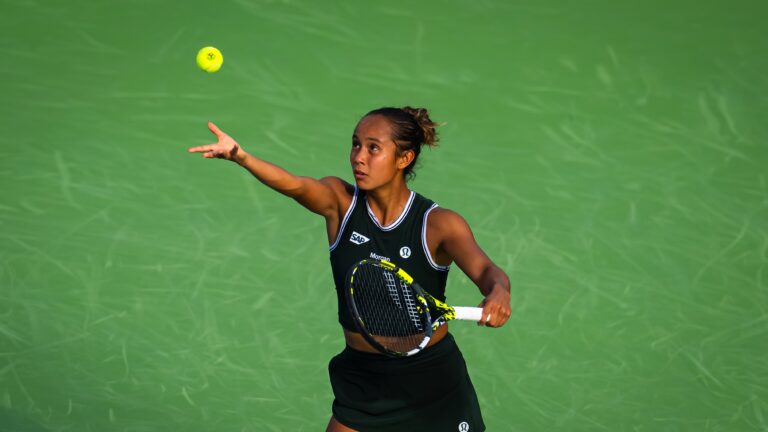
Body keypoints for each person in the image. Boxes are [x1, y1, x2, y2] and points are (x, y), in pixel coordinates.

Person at [187, 107, 511, 432]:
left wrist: (499, 293)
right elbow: (296, 185)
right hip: (364, 380)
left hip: (431, 381)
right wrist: (242, 156)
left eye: (373, 148)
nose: (359, 157)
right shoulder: (340, 203)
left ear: (404, 158)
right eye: (356, 144)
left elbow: (488, 271)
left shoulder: (438, 224)